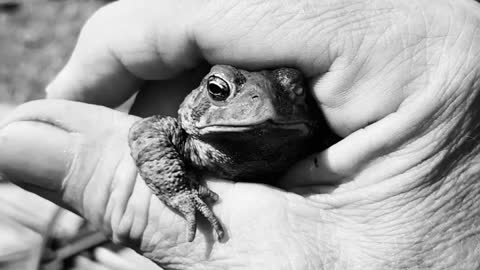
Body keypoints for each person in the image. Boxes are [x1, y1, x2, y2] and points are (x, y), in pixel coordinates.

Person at [1, 0, 480, 268]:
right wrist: (179, 191)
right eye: (219, 90)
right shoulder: (189, 129)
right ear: (205, 94)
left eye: (291, 91)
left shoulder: (316, 132)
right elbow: (149, 133)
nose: (265, 105)